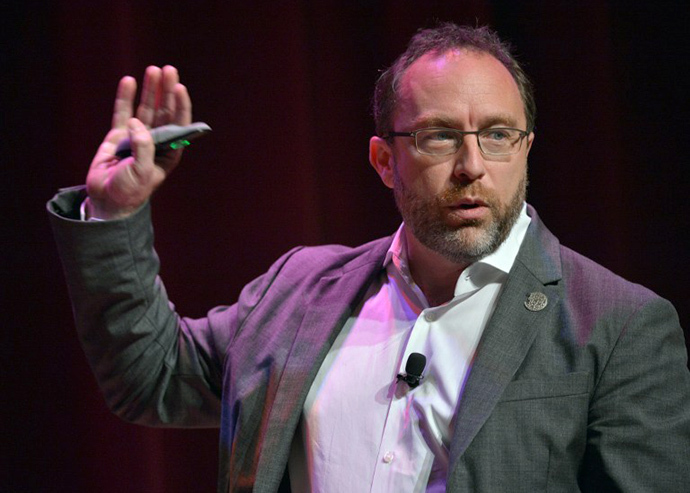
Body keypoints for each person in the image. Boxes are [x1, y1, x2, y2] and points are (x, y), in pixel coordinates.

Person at [48, 24, 690, 492]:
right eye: (440, 136)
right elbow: (153, 376)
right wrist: (115, 212)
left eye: (496, 135)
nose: (472, 167)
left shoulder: (619, 325)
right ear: (385, 161)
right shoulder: (300, 292)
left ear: (525, 147)